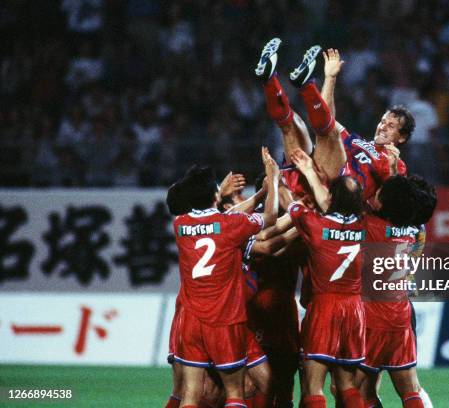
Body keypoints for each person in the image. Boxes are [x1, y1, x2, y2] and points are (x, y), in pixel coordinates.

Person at [171, 147, 279, 408]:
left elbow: (217, 217)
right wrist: (273, 181)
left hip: (192, 321)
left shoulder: (180, 225)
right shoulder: (231, 227)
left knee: (190, 395)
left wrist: (222, 194)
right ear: (213, 194)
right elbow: (271, 216)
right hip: (224, 320)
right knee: (235, 393)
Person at [255, 39, 414, 202]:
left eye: (391, 125)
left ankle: (307, 86)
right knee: (293, 125)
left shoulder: (396, 164)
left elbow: (389, 200)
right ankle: (269, 80)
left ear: (402, 137)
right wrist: (330, 77)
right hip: (310, 181)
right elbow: (327, 119)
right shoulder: (357, 141)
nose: (382, 127)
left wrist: (393, 169)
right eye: (383, 121)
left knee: (330, 133)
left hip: (338, 196)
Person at [288, 149, 368, 407]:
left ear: (332, 197)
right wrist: (312, 174)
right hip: (354, 309)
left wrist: (283, 179)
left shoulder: (316, 225)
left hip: (325, 307)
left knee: (313, 387)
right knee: (346, 386)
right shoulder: (365, 227)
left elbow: (292, 206)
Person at [358, 175, 437, 408]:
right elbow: (399, 200)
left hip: (372, 316)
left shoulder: (370, 227)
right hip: (400, 313)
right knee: (410, 387)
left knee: (356, 390)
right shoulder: (413, 230)